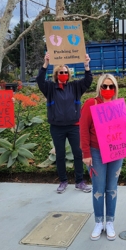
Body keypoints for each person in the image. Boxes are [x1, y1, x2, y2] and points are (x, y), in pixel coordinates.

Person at [79, 74, 126, 241]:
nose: (108, 89)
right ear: (99, 87)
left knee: (112, 188)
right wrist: (86, 153)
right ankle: (98, 222)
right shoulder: (91, 103)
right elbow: (83, 130)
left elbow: (125, 128)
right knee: (98, 189)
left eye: (112, 86)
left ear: (116, 88)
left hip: (116, 152)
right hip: (96, 152)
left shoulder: (118, 106)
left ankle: (110, 221)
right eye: (105, 86)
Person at [36, 52, 93, 194]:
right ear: (56, 74)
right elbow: (39, 80)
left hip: (74, 126)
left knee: (78, 153)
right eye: (61, 72)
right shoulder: (49, 88)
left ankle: (80, 181)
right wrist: (45, 63)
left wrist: (86, 65)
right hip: (57, 128)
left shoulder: (75, 87)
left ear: (69, 74)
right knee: (60, 154)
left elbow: (88, 80)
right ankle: (63, 181)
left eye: (66, 72)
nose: (63, 74)